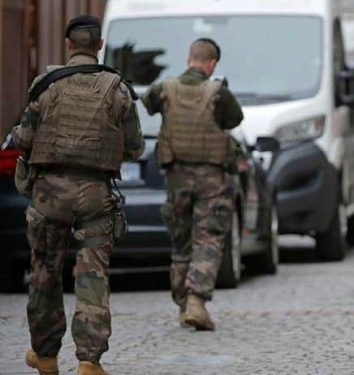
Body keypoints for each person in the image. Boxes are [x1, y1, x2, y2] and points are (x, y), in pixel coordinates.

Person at [13, 15, 144, 375]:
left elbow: (22, 139)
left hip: (49, 193)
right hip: (95, 194)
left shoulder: (46, 84)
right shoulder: (117, 88)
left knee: (44, 271)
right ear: (99, 45)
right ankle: (89, 360)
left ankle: (45, 354)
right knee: (92, 275)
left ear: (69, 45)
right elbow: (134, 147)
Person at [142, 38, 244, 331]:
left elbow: (146, 104)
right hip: (211, 179)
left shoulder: (164, 89)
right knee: (208, 238)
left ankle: (182, 300)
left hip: (176, 177)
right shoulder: (218, 93)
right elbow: (234, 119)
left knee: (181, 239)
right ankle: (196, 300)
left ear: (189, 59)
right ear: (211, 65)